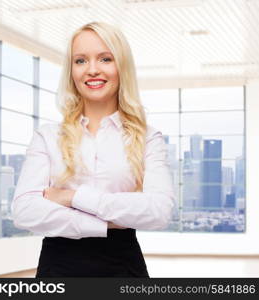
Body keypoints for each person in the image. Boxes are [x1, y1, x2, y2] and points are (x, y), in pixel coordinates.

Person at [11, 21, 175, 278]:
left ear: (121, 67)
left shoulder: (148, 137)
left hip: (123, 268)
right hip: (58, 269)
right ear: (71, 71)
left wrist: (71, 197)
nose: (92, 70)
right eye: (81, 61)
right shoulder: (48, 136)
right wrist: (107, 222)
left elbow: (159, 211)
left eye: (105, 59)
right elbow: (24, 210)